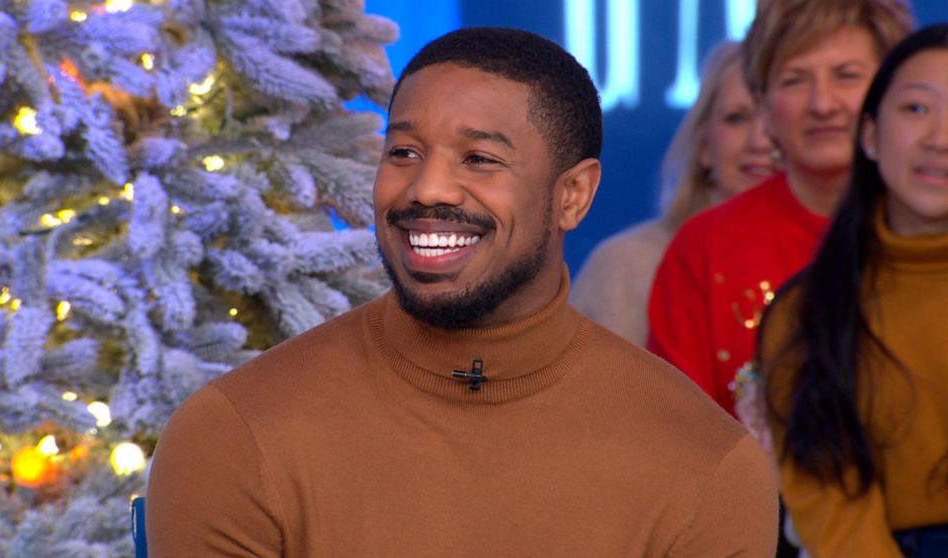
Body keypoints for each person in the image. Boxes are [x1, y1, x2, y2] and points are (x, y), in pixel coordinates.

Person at [146, 27, 779, 557]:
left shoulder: (706, 466)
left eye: (479, 159)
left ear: (573, 196)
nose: (428, 189)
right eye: (404, 151)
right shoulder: (235, 434)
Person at [647, 0, 914, 418]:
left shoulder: (932, 228)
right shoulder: (704, 249)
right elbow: (674, 438)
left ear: (890, 91)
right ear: (763, 104)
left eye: (846, 76)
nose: (822, 104)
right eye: (794, 80)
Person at [758, 24, 948, 557]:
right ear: (869, 135)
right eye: (916, 109)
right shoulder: (807, 312)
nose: (940, 137)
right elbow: (833, 514)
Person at [571, 41, 775, 346]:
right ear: (704, 145)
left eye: (774, 117)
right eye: (737, 118)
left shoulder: (846, 255)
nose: (760, 141)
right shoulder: (625, 266)